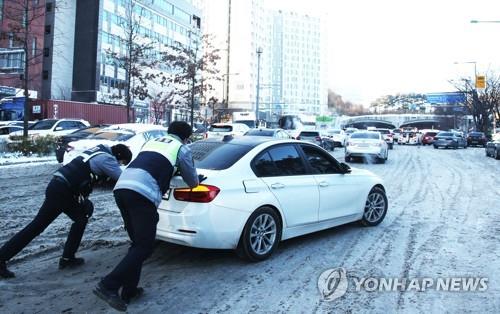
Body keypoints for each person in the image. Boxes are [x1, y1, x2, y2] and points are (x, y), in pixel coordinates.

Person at [93, 121, 203, 312]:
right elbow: (192, 181)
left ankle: (129, 290)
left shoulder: (152, 142)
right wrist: (195, 178)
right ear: (186, 138)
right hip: (142, 194)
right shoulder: (181, 148)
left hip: (122, 188)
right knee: (144, 246)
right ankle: (108, 285)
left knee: (138, 244)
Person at [0, 143, 132, 279]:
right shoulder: (107, 159)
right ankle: (66, 258)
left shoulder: (99, 150)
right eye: (121, 162)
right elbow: (123, 179)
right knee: (40, 226)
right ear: (118, 156)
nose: (119, 165)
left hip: (57, 186)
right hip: (63, 192)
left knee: (80, 216)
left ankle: (68, 258)